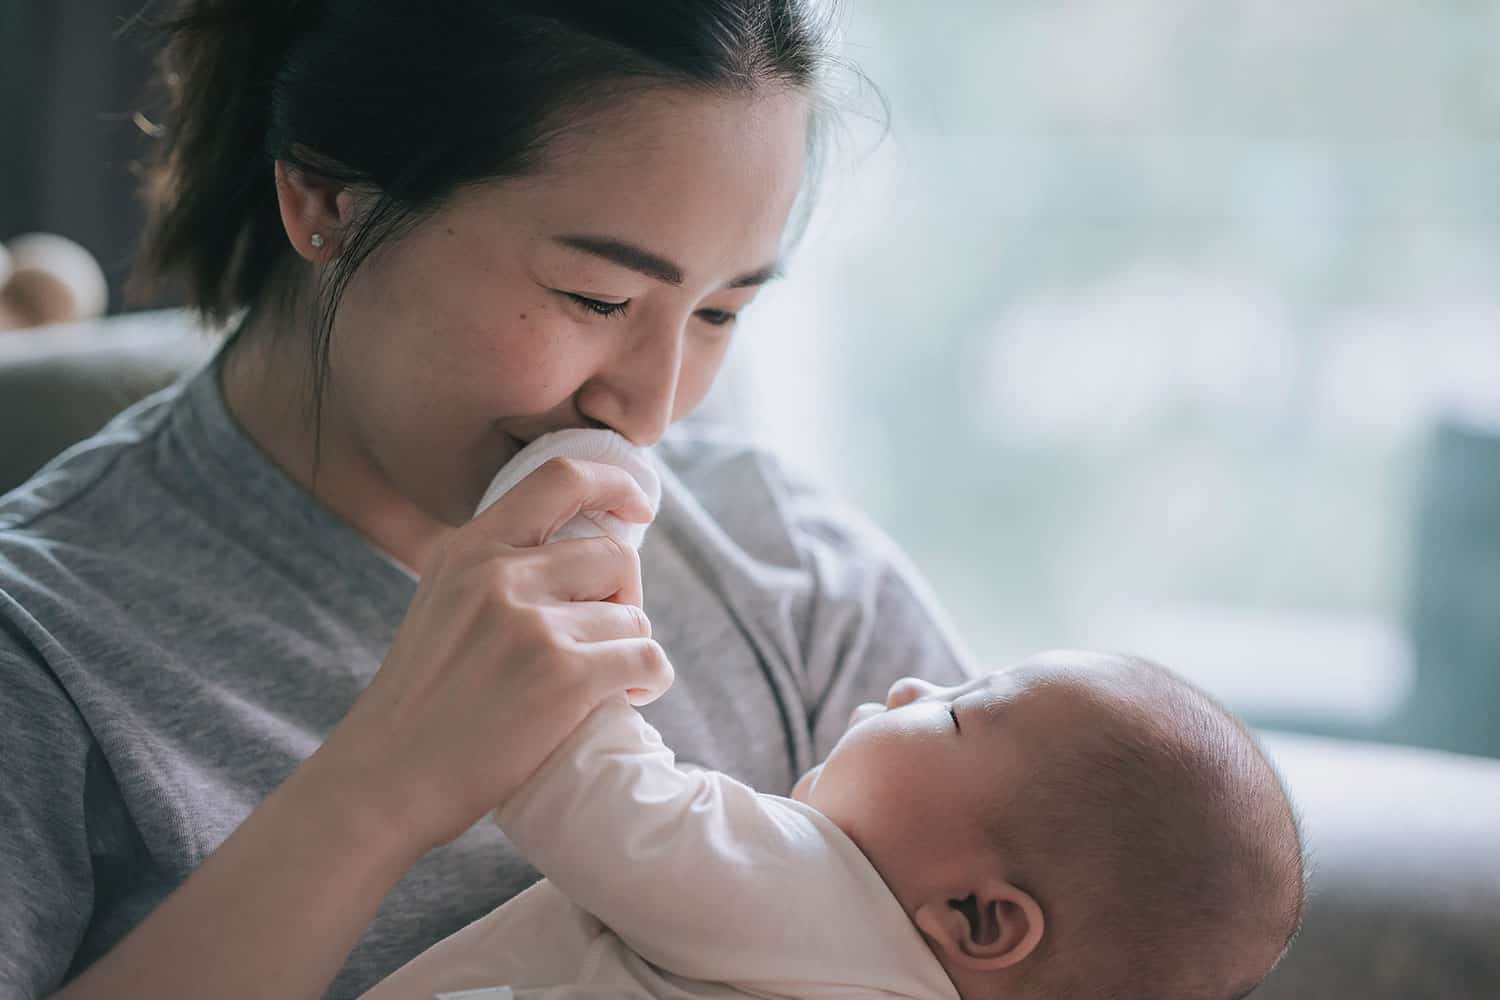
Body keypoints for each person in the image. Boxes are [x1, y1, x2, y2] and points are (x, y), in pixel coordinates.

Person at [0, 2, 976, 999]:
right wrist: (383, 786)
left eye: (721, 311)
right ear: (326, 198)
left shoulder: (789, 575)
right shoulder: (41, 648)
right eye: (598, 298)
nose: (649, 409)